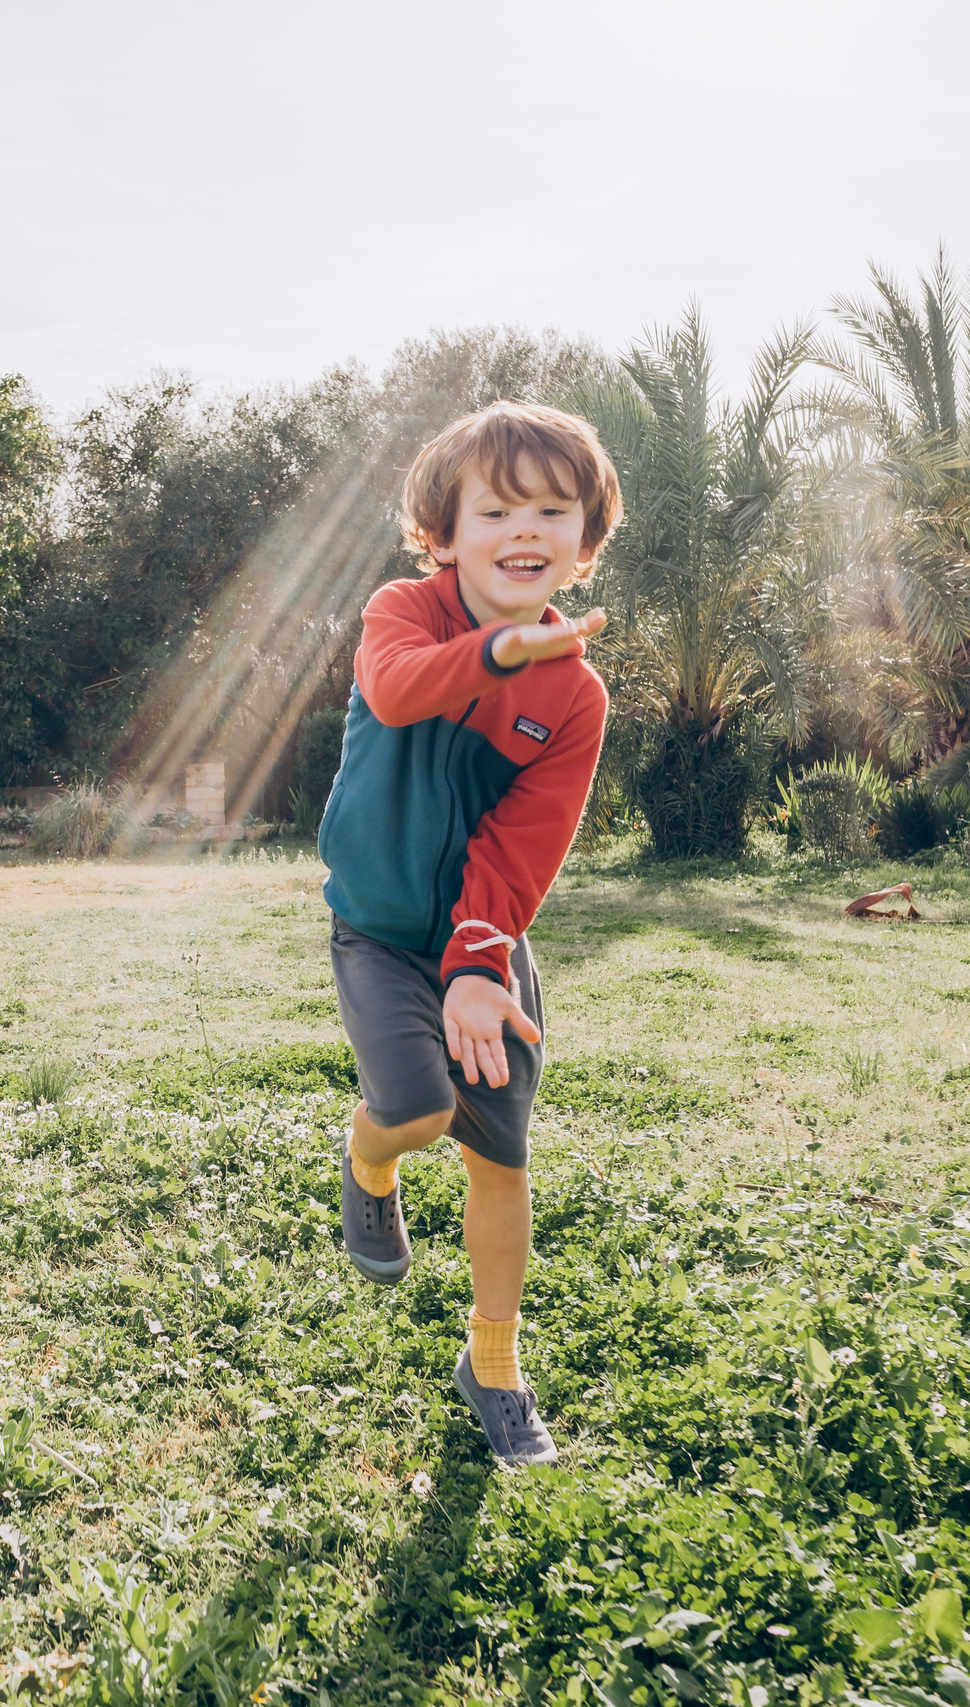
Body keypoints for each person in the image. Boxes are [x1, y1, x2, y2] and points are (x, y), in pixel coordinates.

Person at [317, 401, 617, 1468]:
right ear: (444, 535)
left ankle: (493, 1365)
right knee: (414, 1109)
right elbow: (396, 697)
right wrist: (495, 651)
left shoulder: (573, 699)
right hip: (377, 930)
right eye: (496, 507)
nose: (525, 526)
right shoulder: (402, 614)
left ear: (583, 544)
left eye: (552, 508)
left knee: (499, 1152)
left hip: (481, 949)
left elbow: (521, 843)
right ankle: (368, 1159)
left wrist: (481, 965)